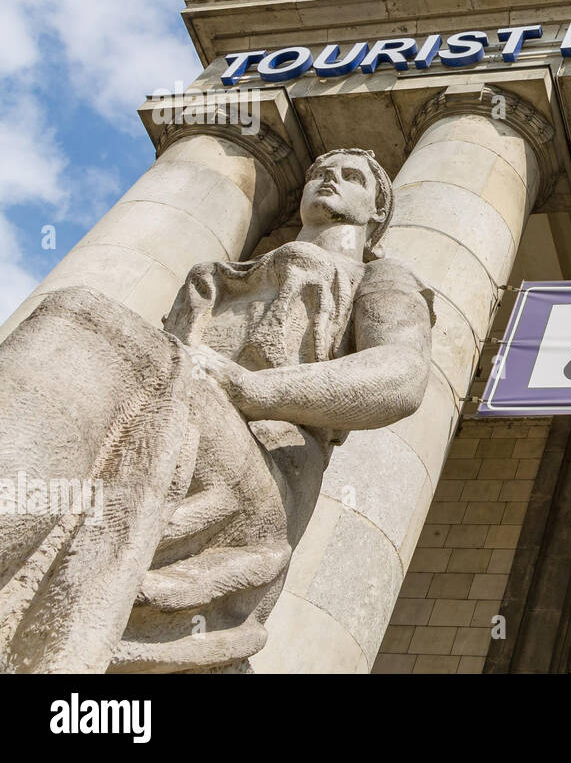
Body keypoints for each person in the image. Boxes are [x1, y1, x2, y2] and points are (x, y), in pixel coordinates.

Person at [0, 148, 434, 672]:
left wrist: (253, 389)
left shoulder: (380, 279)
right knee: (74, 317)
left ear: (377, 212)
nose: (328, 180)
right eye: (319, 173)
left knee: (84, 317)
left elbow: (402, 373)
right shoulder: (215, 277)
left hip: (263, 470)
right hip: (173, 417)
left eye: (350, 177)